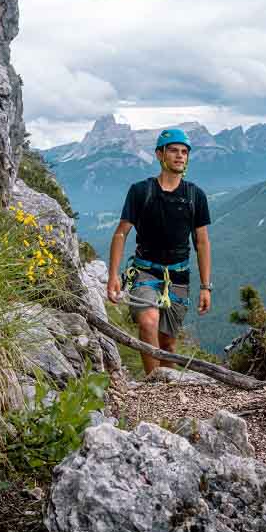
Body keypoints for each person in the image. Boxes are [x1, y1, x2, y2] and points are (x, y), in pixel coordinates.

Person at [106, 128, 213, 374]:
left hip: (178, 277)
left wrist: (206, 286)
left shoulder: (195, 196)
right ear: (159, 154)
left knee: (168, 342)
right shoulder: (141, 191)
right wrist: (113, 275)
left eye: (184, 152)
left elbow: (202, 242)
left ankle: (168, 391)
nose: (180, 156)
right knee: (148, 322)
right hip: (144, 271)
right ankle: (153, 384)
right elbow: (121, 233)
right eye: (173, 150)